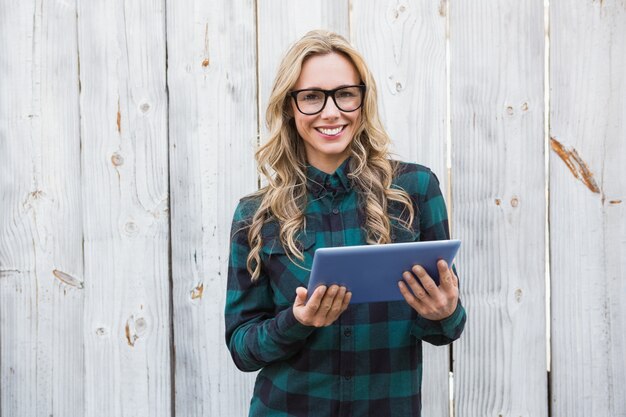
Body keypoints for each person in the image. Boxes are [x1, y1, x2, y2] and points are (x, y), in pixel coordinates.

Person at [224, 29, 466, 417]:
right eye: (312, 97)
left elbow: (446, 327)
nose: (331, 111)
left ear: (362, 100)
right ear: (290, 107)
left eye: (345, 94)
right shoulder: (254, 215)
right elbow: (241, 347)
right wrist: (296, 322)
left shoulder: (416, 190)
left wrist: (443, 313)